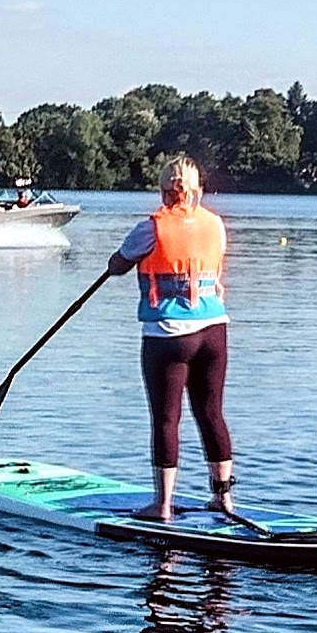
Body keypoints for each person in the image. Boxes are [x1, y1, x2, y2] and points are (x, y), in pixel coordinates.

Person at [107, 155, 238, 527]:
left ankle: (162, 505)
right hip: (214, 330)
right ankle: (223, 498)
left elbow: (119, 263)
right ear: (197, 190)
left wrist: (116, 264)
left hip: (168, 334)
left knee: (167, 419)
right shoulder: (216, 225)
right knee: (211, 413)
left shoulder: (151, 227)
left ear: (165, 190)